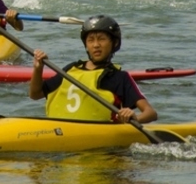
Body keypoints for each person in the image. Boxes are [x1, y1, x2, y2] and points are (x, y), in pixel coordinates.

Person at [27, 15, 157, 124]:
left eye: (102, 39)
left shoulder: (119, 77)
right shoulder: (71, 69)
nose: (96, 45)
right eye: (91, 40)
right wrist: (38, 69)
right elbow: (35, 94)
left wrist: (134, 117)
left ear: (114, 43)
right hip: (58, 133)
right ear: (86, 45)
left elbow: (150, 113)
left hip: (98, 141)